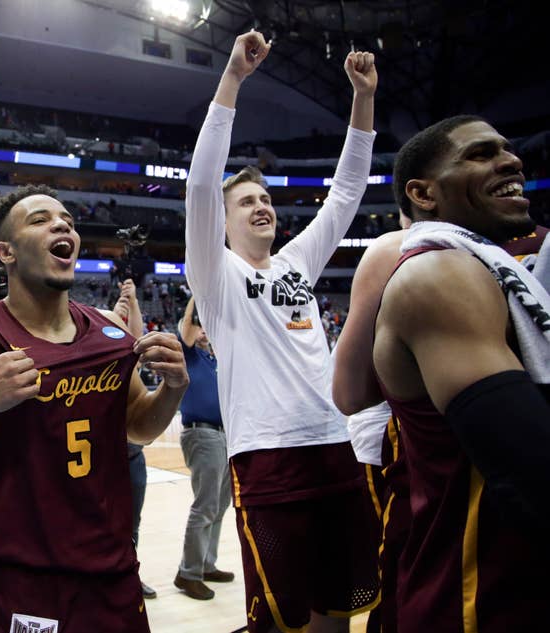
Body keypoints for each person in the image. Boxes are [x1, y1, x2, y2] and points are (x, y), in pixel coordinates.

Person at [0, 185, 189, 633]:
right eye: (40, 219)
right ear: (6, 252)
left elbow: (138, 428)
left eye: (66, 219)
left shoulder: (111, 329)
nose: (62, 224)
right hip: (23, 582)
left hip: (114, 574)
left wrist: (173, 388)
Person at [185, 30, 380, 633]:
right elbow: (199, 186)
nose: (261, 206)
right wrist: (233, 80)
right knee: (280, 620)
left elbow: (346, 193)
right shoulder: (216, 277)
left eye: (265, 197)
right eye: (245, 202)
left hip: (335, 447)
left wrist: (363, 99)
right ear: (221, 221)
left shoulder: (297, 264)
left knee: (338, 608)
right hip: (268, 459)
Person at [373, 116, 550, 632]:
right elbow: (531, 470)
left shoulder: (493, 270)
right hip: (479, 600)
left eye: (508, 149)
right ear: (423, 193)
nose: (512, 160)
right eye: (480, 153)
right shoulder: (439, 273)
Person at [173, 297, 233, 601]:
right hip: (203, 435)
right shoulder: (188, 354)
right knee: (205, 505)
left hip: (224, 437)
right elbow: (189, 326)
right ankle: (188, 573)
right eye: (202, 325)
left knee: (219, 506)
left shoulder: (213, 359)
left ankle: (207, 564)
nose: (205, 331)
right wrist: (201, 290)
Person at [113, 279, 157, 600]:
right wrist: (117, 312)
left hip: (133, 455)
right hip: (106, 456)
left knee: (133, 524)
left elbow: (136, 340)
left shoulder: (130, 359)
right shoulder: (97, 354)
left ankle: (130, 576)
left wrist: (133, 300)